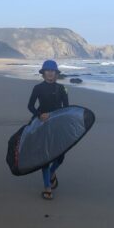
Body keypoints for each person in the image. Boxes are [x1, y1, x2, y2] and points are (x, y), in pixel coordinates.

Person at [27, 59, 69, 200]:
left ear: (56, 74)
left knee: (60, 156)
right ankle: (47, 186)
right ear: (43, 73)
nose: (50, 73)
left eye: (53, 71)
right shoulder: (38, 88)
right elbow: (30, 106)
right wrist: (39, 115)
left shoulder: (62, 89)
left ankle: (52, 172)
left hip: (57, 125)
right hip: (42, 124)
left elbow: (66, 109)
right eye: (47, 71)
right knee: (45, 157)